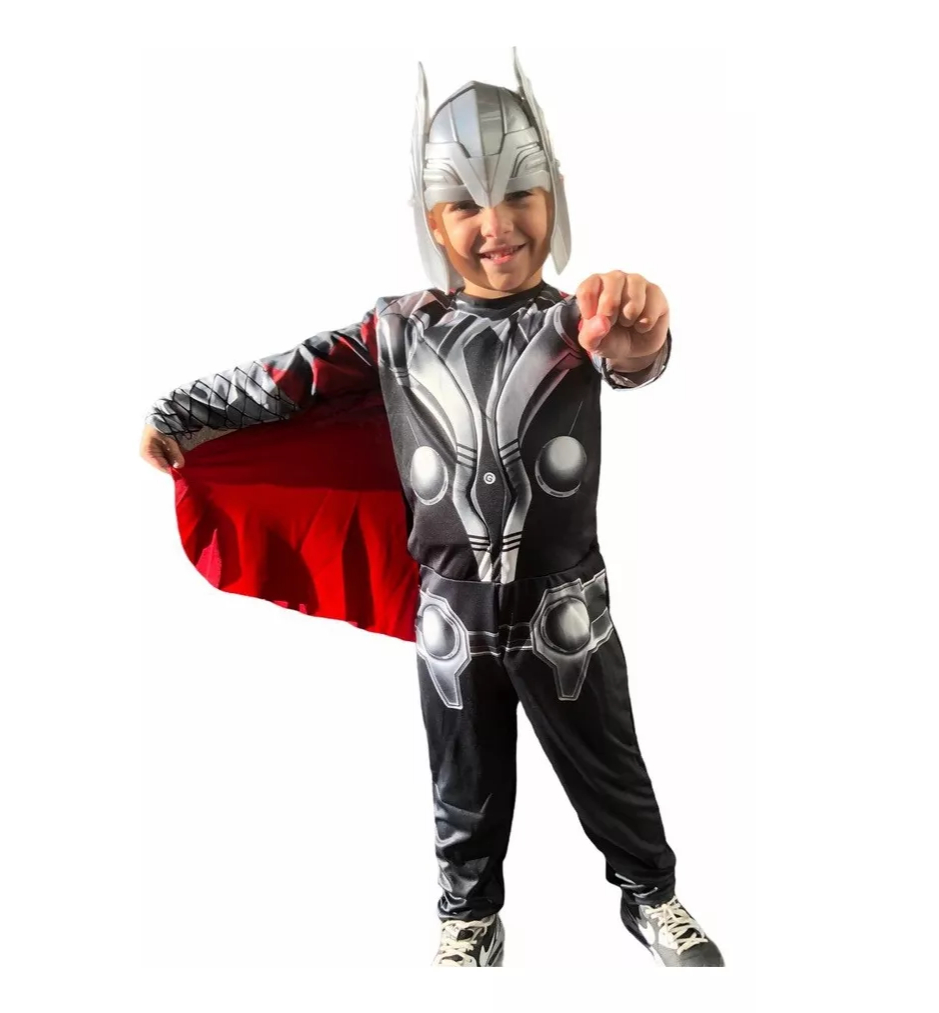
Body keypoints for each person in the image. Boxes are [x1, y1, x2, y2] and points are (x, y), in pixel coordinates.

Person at [140, 49, 724, 968]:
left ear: (554, 194)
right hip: (450, 611)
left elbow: (633, 357)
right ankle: (469, 915)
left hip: (565, 607)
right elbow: (288, 378)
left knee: (609, 763)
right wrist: (179, 410)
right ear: (431, 219)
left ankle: (650, 894)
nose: (496, 225)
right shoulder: (398, 327)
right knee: (463, 781)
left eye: (518, 193)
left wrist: (641, 332)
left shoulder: (580, 321)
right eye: (465, 203)